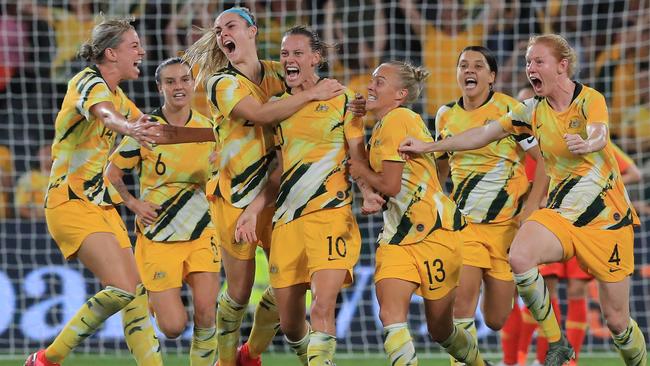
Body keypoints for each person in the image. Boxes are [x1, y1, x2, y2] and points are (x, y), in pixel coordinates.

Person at [399, 34, 647, 366]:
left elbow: (601, 132)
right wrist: (428, 146)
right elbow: (483, 134)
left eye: (538, 61)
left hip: (607, 221)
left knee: (617, 320)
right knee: (520, 256)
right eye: (528, 62)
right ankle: (557, 342)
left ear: (562, 66)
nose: (530, 68)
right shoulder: (529, 111)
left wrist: (589, 144)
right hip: (559, 215)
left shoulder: (589, 99)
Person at [150, 7, 354, 366]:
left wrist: (354, 106)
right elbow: (260, 115)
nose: (222, 33)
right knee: (241, 292)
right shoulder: (220, 82)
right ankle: (226, 361)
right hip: (233, 197)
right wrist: (313, 95)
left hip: (277, 194)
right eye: (217, 29)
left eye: (229, 26)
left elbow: (306, 95)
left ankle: (251, 355)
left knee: (284, 287)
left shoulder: (277, 73)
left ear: (252, 31)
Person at [234, 25, 383, 366]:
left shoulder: (343, 99)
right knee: (289, 324)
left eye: (297, 53)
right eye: (285, 53)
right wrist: (253, 209)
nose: (289, 59)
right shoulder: (277, 107)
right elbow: (278, 171)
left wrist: (367, 192)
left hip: (331, 215)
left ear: (316, 58)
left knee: (321, 305)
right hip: (287, 222)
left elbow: (356, 156)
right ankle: (248, 356)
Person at [24, 17, 163, 366]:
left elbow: (151, 128)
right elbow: (105, 115)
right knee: (121, 289)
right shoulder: (86, 83)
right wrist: (128, 126)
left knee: (135, 294)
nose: (142, 51)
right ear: (111, 53)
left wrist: (209, 134)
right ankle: (46, 359)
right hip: (68, 202)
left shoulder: (119, 96)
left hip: (101, 205)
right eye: (134, 46)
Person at [348, 61, 491, 366]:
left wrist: (363, 173)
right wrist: (369, 189)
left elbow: (389, 182)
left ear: (400, 94)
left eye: (380, 81)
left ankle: (479, 364)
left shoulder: (398, 119)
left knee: (441, 330)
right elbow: (382, 182)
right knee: (390, 314)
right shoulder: (385, 125)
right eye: (372, 79)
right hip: (397, 237)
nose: (371, 85)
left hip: (435, 235)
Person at [434, 46, 548, 365]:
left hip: (506, 229)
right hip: (464, 225)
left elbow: (544, 164)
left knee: (496, 319)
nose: (469, 70)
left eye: (478, 66)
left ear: (491, 76)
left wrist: (530, 213)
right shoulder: (445, 115)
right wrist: (435, 201)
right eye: (463, 65)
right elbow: (440, 169)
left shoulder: (511, 110)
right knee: (462, 307)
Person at [105, 57, 221, 366]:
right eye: (170, 82)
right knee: (172, 328)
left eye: (184, 79)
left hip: (203, 232)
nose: (178, 86)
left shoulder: (211, 130)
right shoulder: (145, 128)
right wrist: (133, 203)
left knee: (207, 314)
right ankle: (151, 301)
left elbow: (228, 173)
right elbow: (112, 174)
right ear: (160, 87)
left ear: (193, 83)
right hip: (158, 234)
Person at [15, 144, 52, 219]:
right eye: (46, 152)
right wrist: (39, 217)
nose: (48, 155)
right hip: (38, 223)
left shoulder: (64, 177)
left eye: (50, 152)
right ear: (38, 154)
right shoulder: (28, 178)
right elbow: (21, 207)